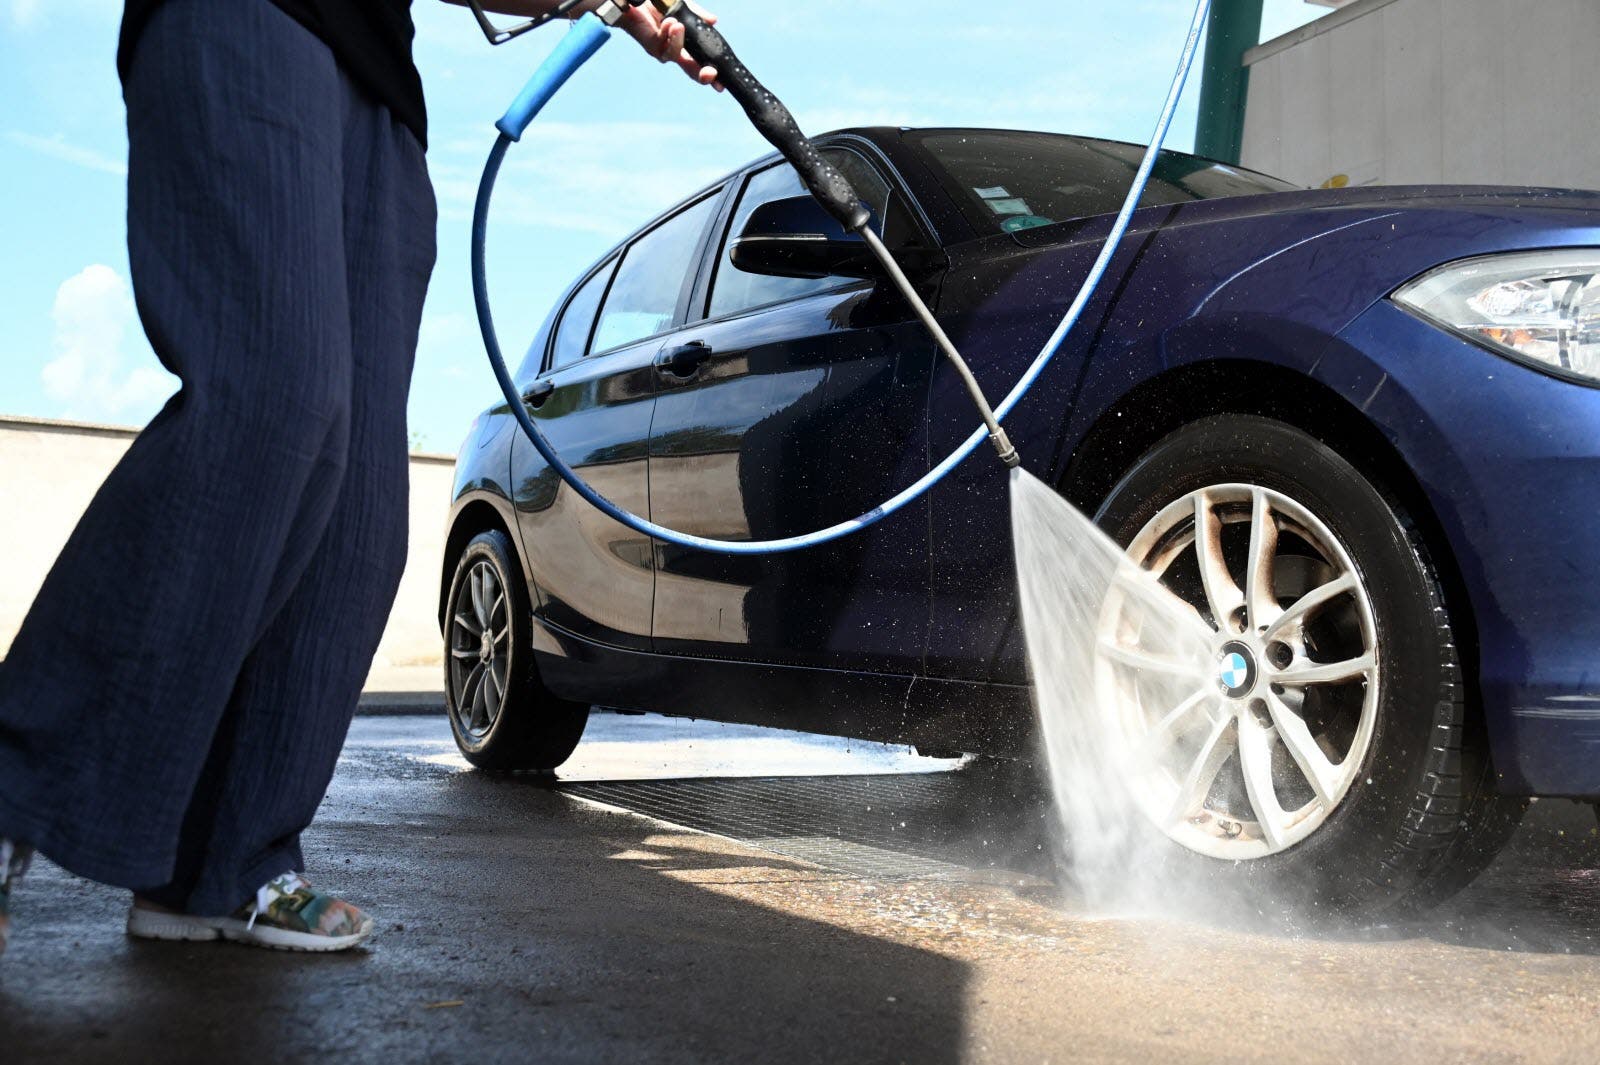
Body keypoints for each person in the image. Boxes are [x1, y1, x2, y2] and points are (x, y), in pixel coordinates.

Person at [0, 0, 718, 956]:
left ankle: (223, 867)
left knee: (358, 509)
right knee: (272, 403)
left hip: (377, 86)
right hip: (250, 17)